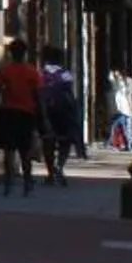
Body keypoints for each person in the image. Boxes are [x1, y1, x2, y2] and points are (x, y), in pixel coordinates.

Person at [0, 38, 47, 198]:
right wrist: (42, 117)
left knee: (8, 150)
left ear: (11, 53)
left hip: (7, 112)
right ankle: (27, 182)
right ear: (25, 53)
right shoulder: (32, 72)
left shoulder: (5, 71)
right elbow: (38, 96)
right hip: (26, 114)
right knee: (25, 150)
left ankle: (8, 183)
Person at [40, 44, 84, 186]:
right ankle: (59, 166)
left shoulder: (43, 74)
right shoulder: (65, 73)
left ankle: (50, 172)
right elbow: (70, 92)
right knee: (65, 141)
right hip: (64, 112)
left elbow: (40, 93)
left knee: (48, 142)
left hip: (48, 110)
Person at [107, 69, 132, 153]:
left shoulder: (120, 86)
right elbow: (112, 80)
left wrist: (113, 74)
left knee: (115, 126)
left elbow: (112, 80)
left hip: (122, 111)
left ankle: (110, 142)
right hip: (124, 110)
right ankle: (129, 145)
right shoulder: (121, 86)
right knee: (125, 129)